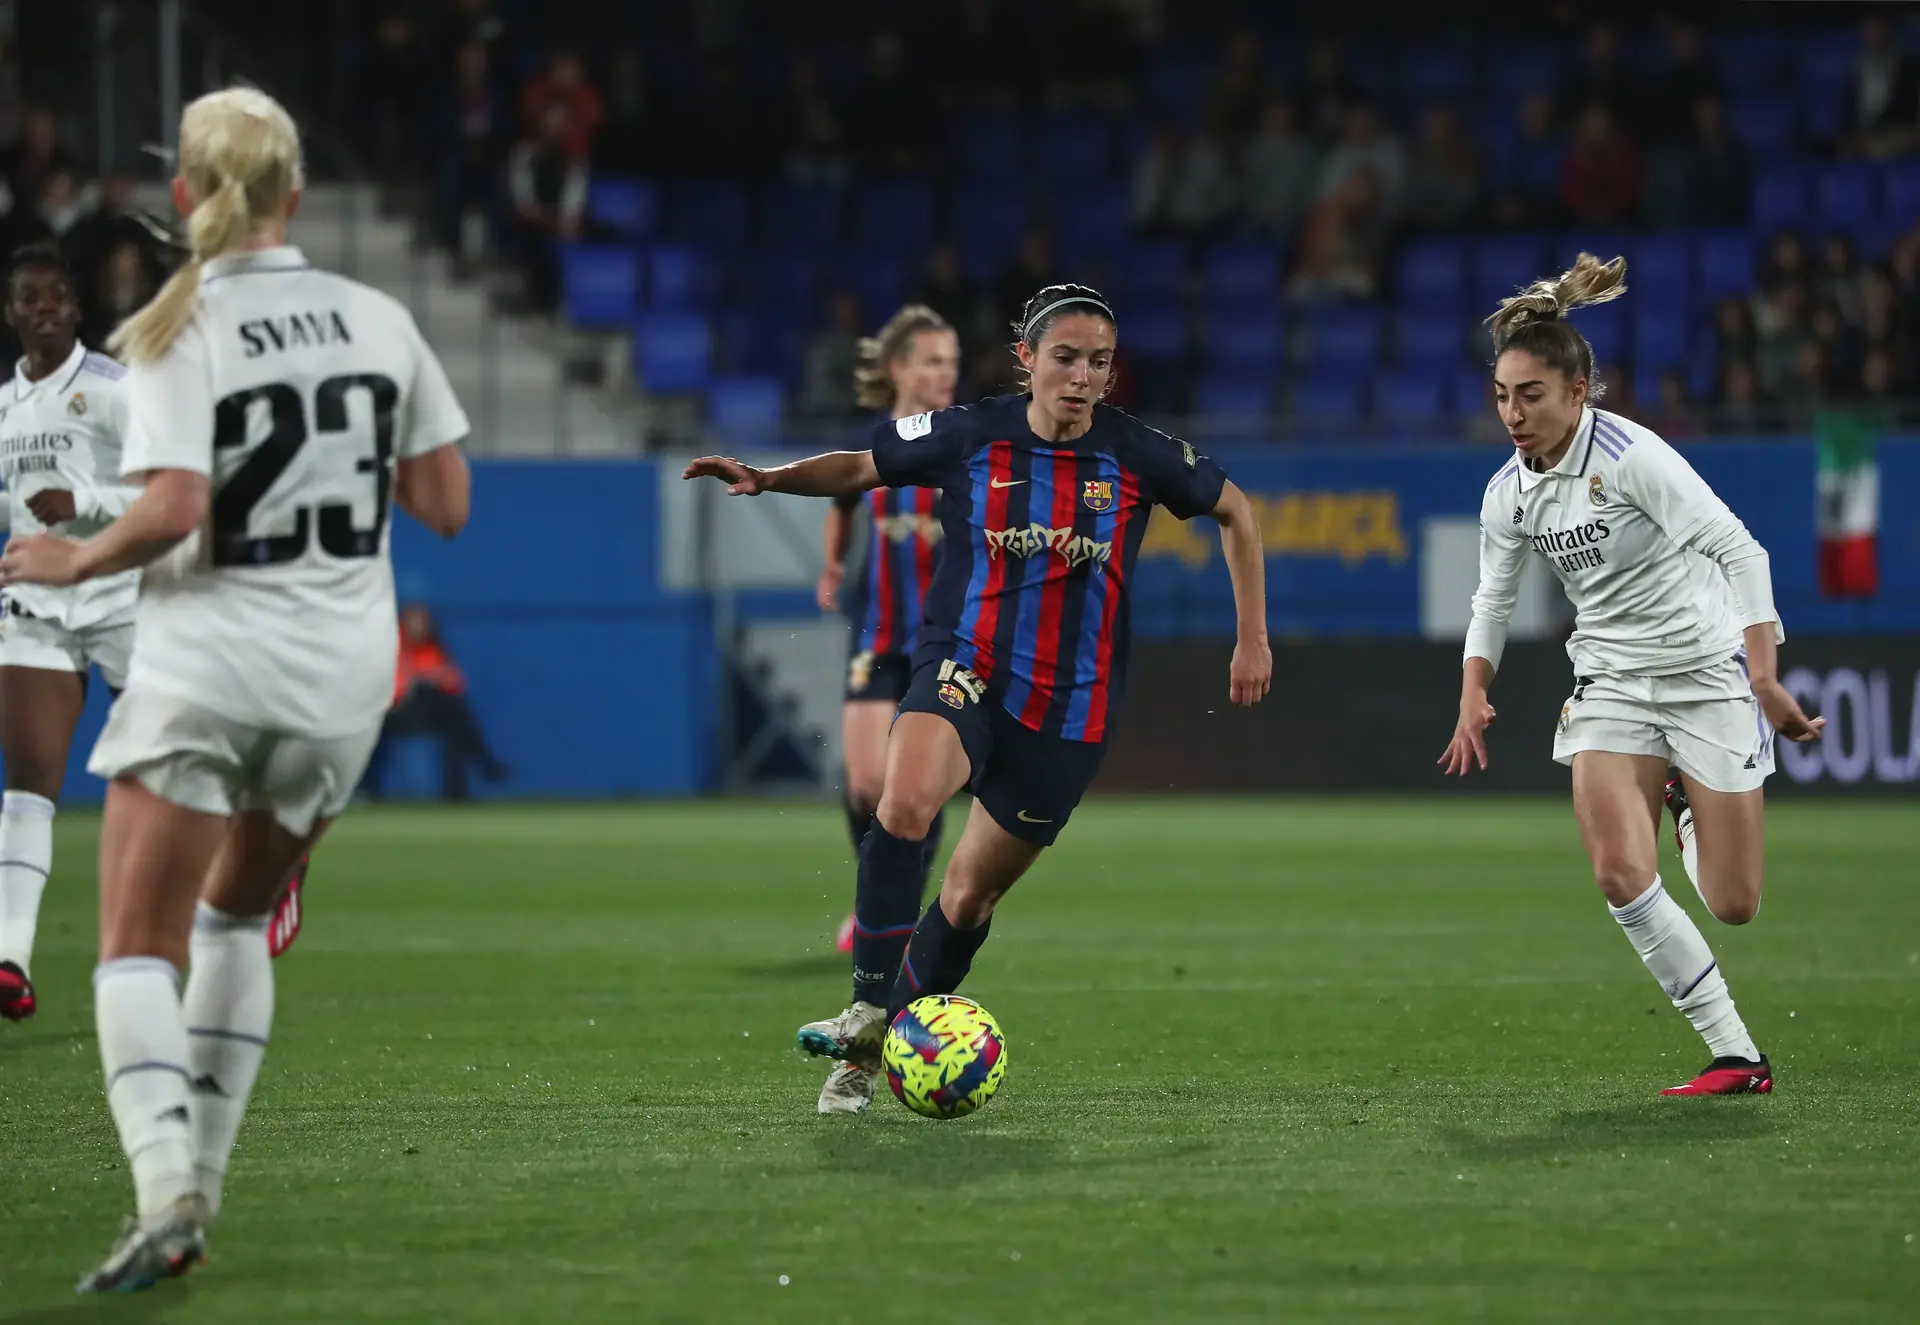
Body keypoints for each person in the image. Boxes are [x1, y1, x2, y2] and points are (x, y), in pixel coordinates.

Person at [0, 86, 471, 1290]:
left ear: (183, 199)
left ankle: (166, 1184)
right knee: (233, 918)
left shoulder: (173, 326)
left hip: (211, 665)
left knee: (135, 948)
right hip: (342, 679)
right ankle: (198, 1186)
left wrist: (73, 552)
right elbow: (447, 505)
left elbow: (174, 508)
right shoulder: (375, 315)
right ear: (297, 194)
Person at [685, 284, 1272, 1113]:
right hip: (966, 666)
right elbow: (860, 466)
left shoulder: (1136, 454)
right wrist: (768, 477)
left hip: (1071, 710)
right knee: (904, 803)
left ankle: (881, 1041)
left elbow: (1236, 510)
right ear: (1027, 358)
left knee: (967, 896)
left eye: (1098, 362)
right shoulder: (968, 434)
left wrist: (1253, 636)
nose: (1080, 376)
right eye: (1064, 357)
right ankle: (862, 1015)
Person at [1439, 253, 1823, 1099]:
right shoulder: (1508, 493)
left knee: (1733, 901)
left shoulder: (1635, 456)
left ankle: (1683, 799)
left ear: (1579, 392)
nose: (1513, 412)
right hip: (1610, 679)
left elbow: (1740, 549)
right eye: (1503, 395)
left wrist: (1763, 678)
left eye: (1531, 394)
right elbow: (1491, 599)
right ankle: (1736, 1054)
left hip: (1703, 670)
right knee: (1618, 870)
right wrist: (1473, 689)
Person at [813, 306, 958, 1110]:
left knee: (909, 793)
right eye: (930, 361)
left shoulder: (961, 445)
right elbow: (841, 499)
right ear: (899, 368)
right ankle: (875, 901)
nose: (942, 373)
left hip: (941, 643)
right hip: (878, 631)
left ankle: (893, 919)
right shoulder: (878, 444)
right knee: (866, 784)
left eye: (951, 361)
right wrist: (834, 567)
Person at [0, 245, 140, 1023]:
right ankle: (10, 957)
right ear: (11, 312)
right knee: (27, 780)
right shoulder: (3, 408)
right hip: (37, 607)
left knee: (179, 770)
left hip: (123, 599)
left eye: (57, 297)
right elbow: (16, 506)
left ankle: (249, 891)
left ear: (77, 310)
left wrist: (81, 499)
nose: (44, 308)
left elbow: (170, 495)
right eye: (29, 298)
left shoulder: (117, 391)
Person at [363, 602, 507, 801]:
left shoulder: (434, 650)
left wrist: (432, 677)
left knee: (456, 715)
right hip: (397, 712)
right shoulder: (394, 647)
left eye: (421, 622)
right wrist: (415, 678)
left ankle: (459, 791)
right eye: (412, 621)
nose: (417, 627)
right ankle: (367, 788)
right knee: (374, 726)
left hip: (429, 712)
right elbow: (392, 689)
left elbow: (455, 683)